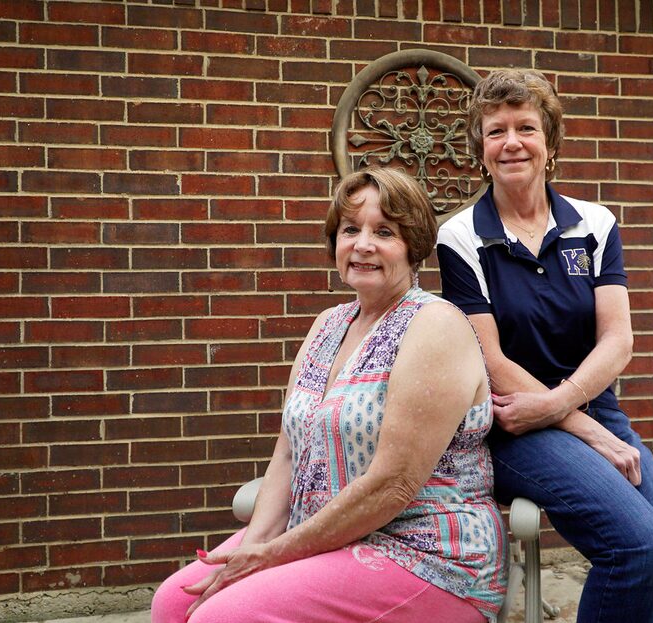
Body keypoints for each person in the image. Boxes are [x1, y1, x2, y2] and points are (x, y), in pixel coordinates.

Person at [151, 166, 507, 623]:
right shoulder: (328, 325)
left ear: (413, 246)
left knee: (222, 617)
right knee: (173, 602)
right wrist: (256, 545)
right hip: (318, 536)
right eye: (350, 230)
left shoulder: (434, 326)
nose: (362, 245)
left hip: (425, 555)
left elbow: (392, 485)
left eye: (384, 232)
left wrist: (271, 557)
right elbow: (287, 454)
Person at [437, 69, 653, 623]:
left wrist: (566, 405)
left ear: (550, 143)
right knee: (641, 551)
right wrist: (571, 420)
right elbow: (490, 361)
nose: (512, 142)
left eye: (526, 127)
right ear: (480, 149)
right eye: (496, 131)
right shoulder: (461, 236)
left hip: (591, 412)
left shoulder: (594, 224)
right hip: (516, 426)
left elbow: (618, 338)